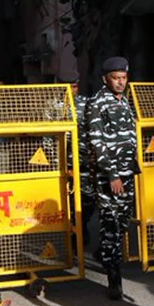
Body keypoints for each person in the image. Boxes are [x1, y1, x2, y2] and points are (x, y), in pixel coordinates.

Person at [87, 57, 139, 300]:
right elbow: (98, 143)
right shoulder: (98, 103)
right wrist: (112, 175)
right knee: (111, 224)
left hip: (127, 173)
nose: (120, 82)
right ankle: (113, 279)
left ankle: (105, 255)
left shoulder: (124, 100)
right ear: (105, 79)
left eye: (123, 78)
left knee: (122, 222)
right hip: (112, 177)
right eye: (115, 78)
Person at [59, 70, 97, 247]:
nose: (71, 90)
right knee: (68, 202)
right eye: (67, 86)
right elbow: (48, 140)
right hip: (64, 164)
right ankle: (74, 235)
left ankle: (82, 225)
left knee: (89, 200)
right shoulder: (53, 106)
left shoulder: (87, 104)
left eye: (74, 86)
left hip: (84, 163)